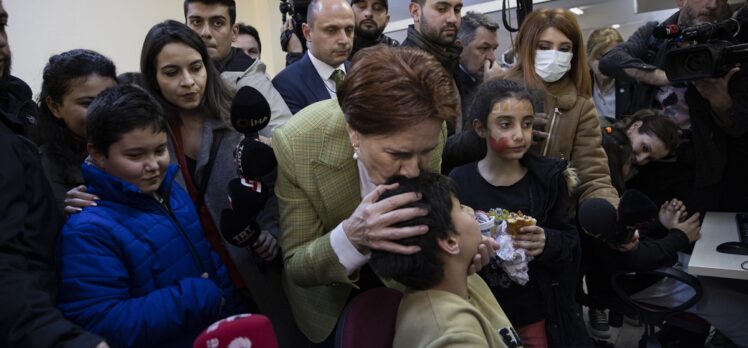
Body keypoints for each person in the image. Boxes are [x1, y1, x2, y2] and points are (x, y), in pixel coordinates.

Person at [273, 45, 498, 345]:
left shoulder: (431, 129)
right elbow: (296, 264)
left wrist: (462, 254)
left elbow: (432, 222)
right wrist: (351, 237)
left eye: (425, 152)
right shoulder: (297, 143)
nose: (413, 171)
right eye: (397, 154)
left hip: (414, 297)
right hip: (332, 305)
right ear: (354, 132)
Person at [139, 20, 306, 347]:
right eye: (172, 72)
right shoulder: (148, 128)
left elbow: (277, 186)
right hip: (194, 275)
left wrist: (272, 234)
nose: (188, 82)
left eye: (196, 68)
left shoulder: (239, 113)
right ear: (153, 77)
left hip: (254, 269)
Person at [56, 85, 245, 347]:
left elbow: (206, 256)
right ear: (97, 154)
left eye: (159, 150)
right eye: (135, 155)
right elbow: (100, 321)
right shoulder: (89, 230)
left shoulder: (171, 191)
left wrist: (233, 315)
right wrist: (196, 296)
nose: (153, 165)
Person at [0, 1, 107, 346]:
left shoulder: (133, 149)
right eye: (88, 103)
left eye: (2, 25)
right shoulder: (38, 158)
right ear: (54, 106)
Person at [449, 78, 586, 347]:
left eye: (526, 124)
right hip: (481, 311)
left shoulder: (547, 181)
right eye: (505, 124)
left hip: (533, 313)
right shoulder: (459, 181)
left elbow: (572, 244)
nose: (519, 134)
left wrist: (548, 241)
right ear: (480, 128)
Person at [599, 0, 748, 214]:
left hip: (699, 173)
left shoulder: (731, 48)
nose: (713, 4)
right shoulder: (654, 36)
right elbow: (610, 61)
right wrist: (661, 76)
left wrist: (720, 99)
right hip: (644, 170)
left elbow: (738, 127)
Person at [369, 173, 521, 348]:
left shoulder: (467, 279)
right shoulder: (453, 336)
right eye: (461, 207)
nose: (471, 210)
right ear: (449, 242)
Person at [585, 108, 679, 339]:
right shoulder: (602, 145)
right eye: (644, 148)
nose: (642, 160)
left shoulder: (629, 167)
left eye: (650, 158)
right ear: (635, 127)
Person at [184, 0, 291, 137]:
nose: (205, 33)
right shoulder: (165, 66)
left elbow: (287, 139)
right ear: (185, 28)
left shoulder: (251, 79)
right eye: (196, 22)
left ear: (234, 32)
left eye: (217, 23)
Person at [36, 49, 118, 212]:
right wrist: (62, 212)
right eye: (88, 103)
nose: (104, 110)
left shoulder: (138, 147)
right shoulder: (38, 168)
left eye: (112, 98)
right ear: (55, 106)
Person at [272, 0, 355, 115]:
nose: (344, 40)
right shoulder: (286, 84)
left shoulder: (363, 74)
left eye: (349, 30)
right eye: (331, 30)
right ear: (307, 32)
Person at [403, 0, 464, 132]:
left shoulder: (452, 57)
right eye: (442, 9)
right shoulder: (402, 69)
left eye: (457, 10)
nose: (453, 18)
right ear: (415, 12)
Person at [456, 11, 501, 120]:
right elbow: (466, 129)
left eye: (494, 49)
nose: (492, 58)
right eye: (483, 48)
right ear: (459, 49)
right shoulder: (447, 83)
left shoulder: (480, 76)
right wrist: (488, 89)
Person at [586, 27, 623, 121]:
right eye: (599, 58)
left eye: (612, 58)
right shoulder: (580, 85)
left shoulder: (633, 86)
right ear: (589, 58)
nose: (605, 64)